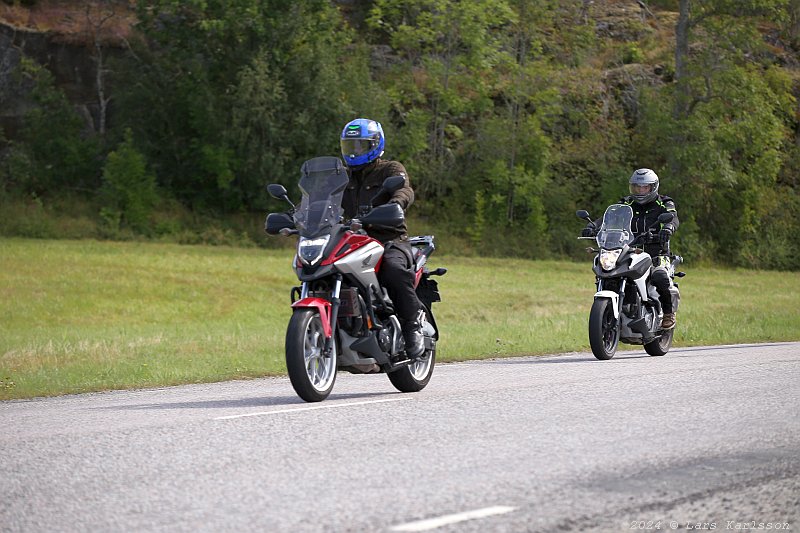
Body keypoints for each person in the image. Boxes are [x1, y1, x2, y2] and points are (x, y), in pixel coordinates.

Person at [338, 118, 425, 359]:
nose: (354, 152)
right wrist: (300, 214)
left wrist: (397, 204)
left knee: (394, 270)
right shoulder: (341, 177)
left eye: (360, 146)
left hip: (388, 239)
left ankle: (412, 324)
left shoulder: (389, 169)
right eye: (350, 146)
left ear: (375, 145)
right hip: (351, 242)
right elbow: (319, 198)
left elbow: (405, 189)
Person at [582, 168, 679, 329]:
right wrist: (593, 226)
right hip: (628, 250)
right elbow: (609, 216)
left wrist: (668, 229)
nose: (640, 191)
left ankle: (668, 313)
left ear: (653, 187)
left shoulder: (664, 202)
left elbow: (672, 217)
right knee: (608, 272)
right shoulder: (626, 203)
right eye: (637, 187)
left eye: (644, 187)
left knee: (660, 275)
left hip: (656, 253)